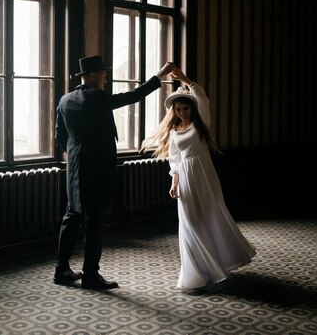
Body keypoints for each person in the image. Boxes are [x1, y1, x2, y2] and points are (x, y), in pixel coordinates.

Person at [54, 55, 175, 290]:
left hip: (75, 168)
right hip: (96, 170)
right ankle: (90, 275)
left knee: (72, 216)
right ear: (90, 76)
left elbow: (60, 135)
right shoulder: (96, 98)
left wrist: (77, 154)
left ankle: (61, 270)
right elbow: (132, 97)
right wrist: (159, 76)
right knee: (94, 220)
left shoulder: (65, 100)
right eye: (102, 74)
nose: (105, 78)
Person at [141, 67, 256, 291]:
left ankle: (215, 265)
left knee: (210, 217)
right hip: (185, 178)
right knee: (189, 222)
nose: (183, 112)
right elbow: (174, 160)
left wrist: (184, 79)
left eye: (186, 108)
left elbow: (201, 97)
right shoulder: (174, 131)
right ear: (173, 110)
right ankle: (195, 272)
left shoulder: (200, 123)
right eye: (179, 109)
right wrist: (174, 183)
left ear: (192, 109)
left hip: (204, 175)